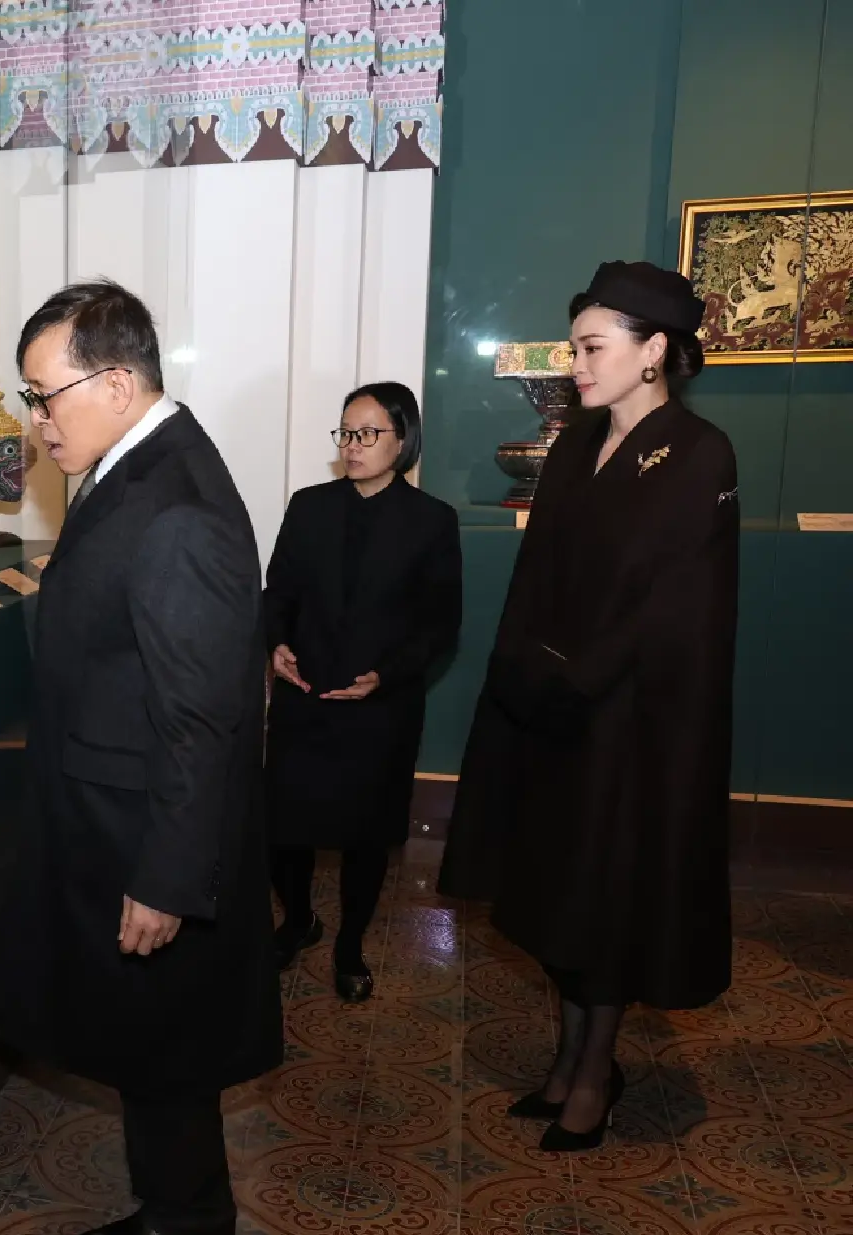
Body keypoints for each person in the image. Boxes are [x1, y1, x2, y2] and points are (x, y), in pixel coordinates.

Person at [0, 280, 282, 1235]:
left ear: (113, 382)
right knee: (152, 1030)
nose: (33, 419)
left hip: (144, 829)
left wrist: (163, 876)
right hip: (113, 807)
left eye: (41, 394)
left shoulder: (173, 504)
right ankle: (179, 1198)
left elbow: (201, 716)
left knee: (161, 1033)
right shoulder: (135, 466)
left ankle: (186, 1213)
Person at [439, 260, 738, 1152]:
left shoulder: (699, 451)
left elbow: (674, 604)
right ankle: (571, 1056)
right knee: (556, 892)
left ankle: (594, 1070)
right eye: (575, 346)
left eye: (592, 347)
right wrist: (523, 677)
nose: (575, 363)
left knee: (606, 898)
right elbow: (542, 578)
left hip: (630, 723)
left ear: (654, 351)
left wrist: (579, 676)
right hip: (555, 708)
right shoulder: (574, 443)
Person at [264, 383, 461, 1001]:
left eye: (368, 433)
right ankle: (298, 920)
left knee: (364, 838)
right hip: (306, 694)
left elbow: (440, 624)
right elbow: (279, 593)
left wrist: (387, 675)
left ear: (403, 440)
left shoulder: (432, 520)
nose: (352, 445)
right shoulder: (309, 506)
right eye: (346, 432)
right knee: (283, 830)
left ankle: (350, 946)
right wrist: (276, 645)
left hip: (380, 708)